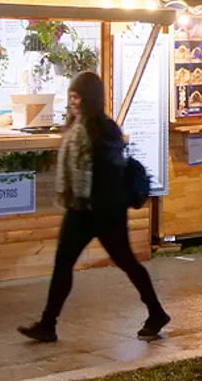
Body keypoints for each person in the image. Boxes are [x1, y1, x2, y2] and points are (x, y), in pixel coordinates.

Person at [20, 71, 169, 342]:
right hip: (81, 208)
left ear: (88, 98)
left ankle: (156, 312)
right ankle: (47, 323)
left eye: (77, 97)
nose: (73, 102)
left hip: (103, 211)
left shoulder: (103, 129)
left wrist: (91, 198)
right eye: (71, 97)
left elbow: (106, 172)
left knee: (126, 262)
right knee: (63, 264)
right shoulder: (80, 126)